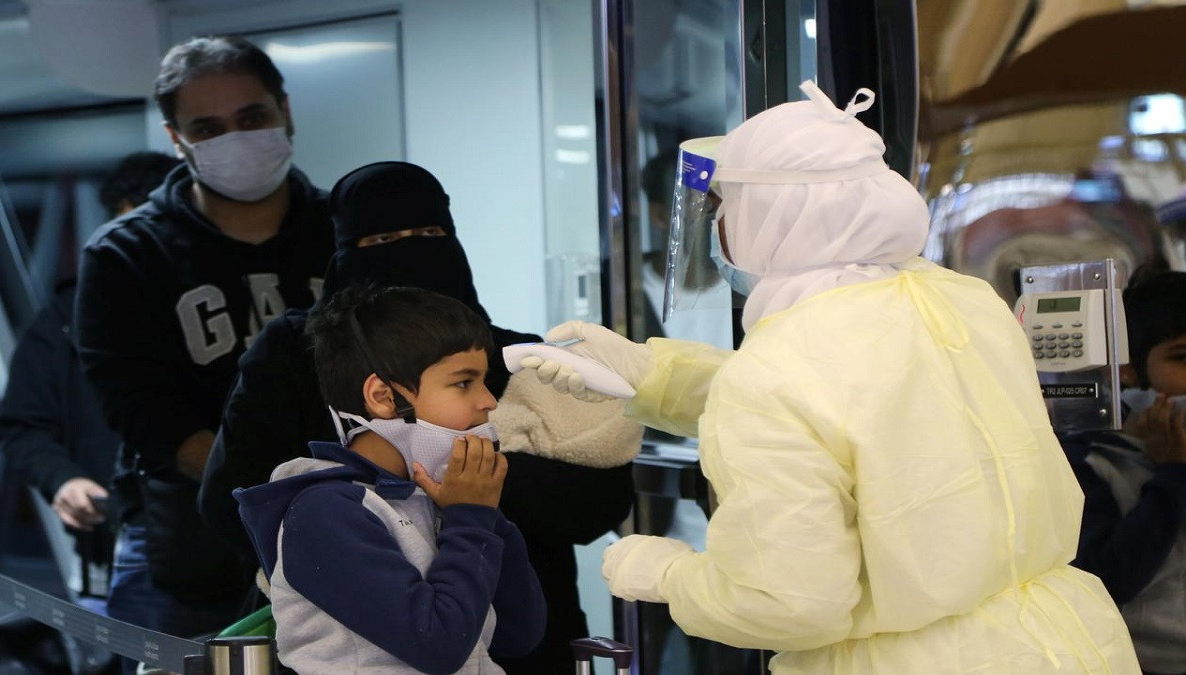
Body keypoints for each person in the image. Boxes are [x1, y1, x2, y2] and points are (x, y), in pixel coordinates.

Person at [522, 80, 1140, 672]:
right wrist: (651, 374)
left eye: (726, 207)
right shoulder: (963, 300)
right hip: (1066, 641)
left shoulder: (780, 368)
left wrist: (667, 573)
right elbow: (853, 409)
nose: (719, 227)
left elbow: (789, 602)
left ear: (775, 217)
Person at [199, 161, 635, 674]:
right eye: (382, 239)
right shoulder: (319, 486)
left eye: (430, 234)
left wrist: (477, 497)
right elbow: (231, 497)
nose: (487, 404)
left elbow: (522, 624)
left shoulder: (518, 356)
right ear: (380, 397)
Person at [73, 35, 334, 663]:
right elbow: (139, 407)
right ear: (176, 138)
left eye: (251, 117)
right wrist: (262, 489)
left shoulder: (346, 232)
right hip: (191, 547)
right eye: (208, 129)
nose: (234, 139)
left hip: (352, 525)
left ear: (285, 111)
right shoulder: (124, 254)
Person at [234, 284, 546, 673]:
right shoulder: (325, 512)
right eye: (464, 383)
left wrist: (486, 515)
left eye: (484, 381)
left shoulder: (438, 500)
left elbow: (519, 633)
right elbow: (438, 648)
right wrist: (470, 518)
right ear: (383, 398)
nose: (489, 401)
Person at [0, 150, 178, 602]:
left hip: (226, 542)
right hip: (111, 546)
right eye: (132, 230)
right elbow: (21, 423)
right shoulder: (66, 319)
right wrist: (64, 480)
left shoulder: (218, 309)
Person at [1060, 265, 1186, 675]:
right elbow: (1108, 582)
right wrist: (1172, 472)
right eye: (1182, 358)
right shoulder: (1091, 463)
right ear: (1128, 370)